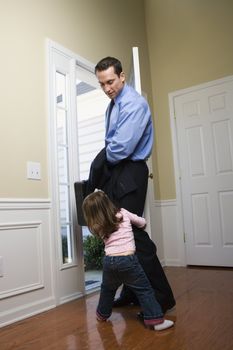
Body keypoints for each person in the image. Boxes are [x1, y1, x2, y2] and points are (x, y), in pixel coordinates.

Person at [75, 56, 175, 313]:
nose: (107, 88)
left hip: (129, 171)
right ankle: (132, 292)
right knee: (121, 234)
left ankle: (162, 297)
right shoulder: (114, 103)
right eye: (102, 84)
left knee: (134, 235)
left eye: (110, 81)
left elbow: (120, 148)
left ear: (122, 77)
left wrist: (99, 162)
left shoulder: (133, 104)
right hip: (118, 172)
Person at [82, 190, 174, 331]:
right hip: (128, 260)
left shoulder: (99, 226)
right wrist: (140, 225)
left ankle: (102, 314)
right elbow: (142, 222)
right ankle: (156, 321)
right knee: (144, 290)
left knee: (107, 290)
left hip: (109, 262)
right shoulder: (124, 213)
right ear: (108, 203)